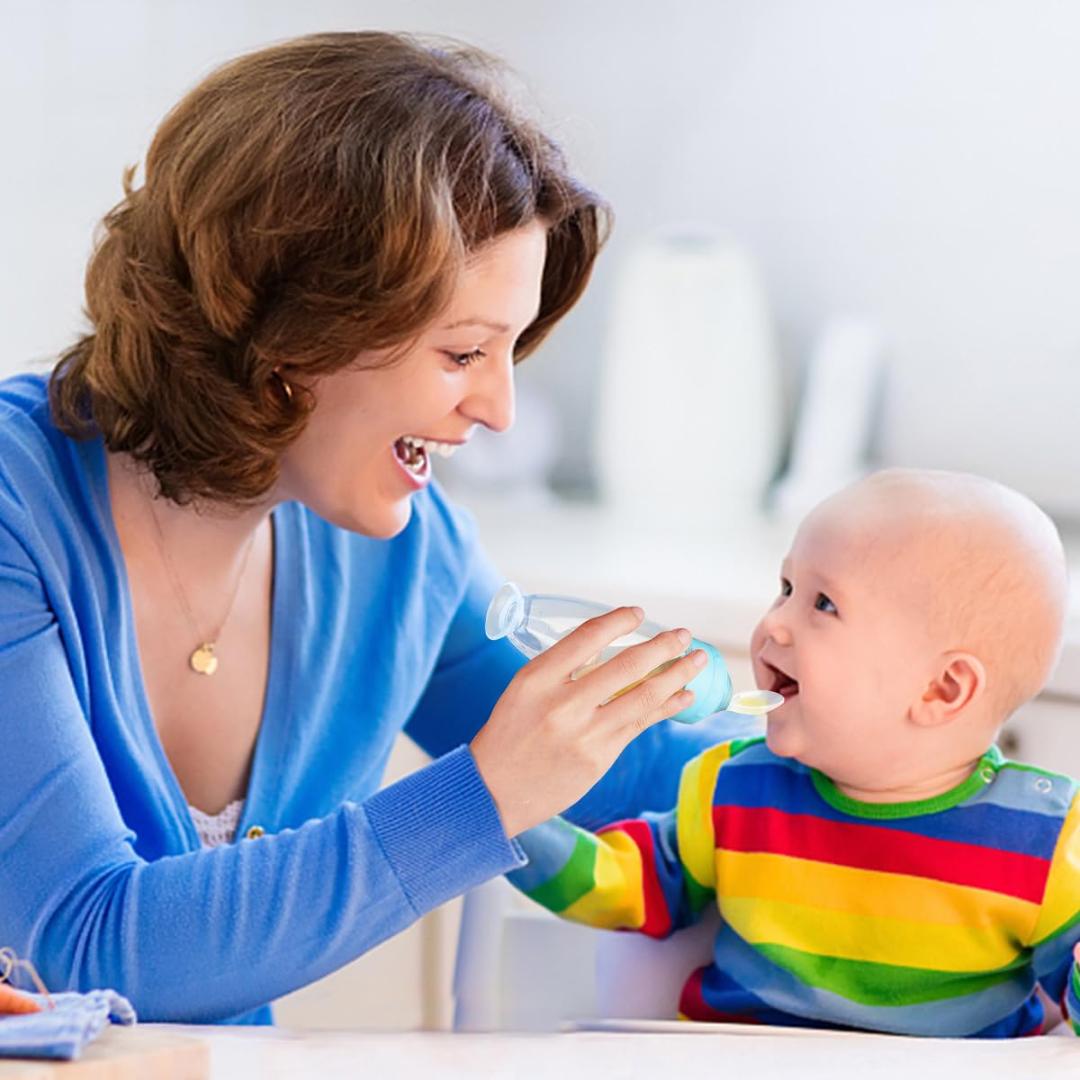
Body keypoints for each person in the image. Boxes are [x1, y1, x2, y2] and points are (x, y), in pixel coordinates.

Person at [0, 32, 733, 1025]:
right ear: (300, 333)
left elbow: (644, 778)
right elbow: (93, 946)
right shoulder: (17, 509)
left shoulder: (402, 555)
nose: (500, 410)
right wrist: (483, 797)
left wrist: (886, 742)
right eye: (465, 351)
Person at [510, 468, 1080, 1038]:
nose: (774, 624)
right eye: (785, 589)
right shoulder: (734, 787)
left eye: (825, 604)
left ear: (941, 690)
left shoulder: (1047, 842)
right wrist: (506, 817)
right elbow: (627, 885)